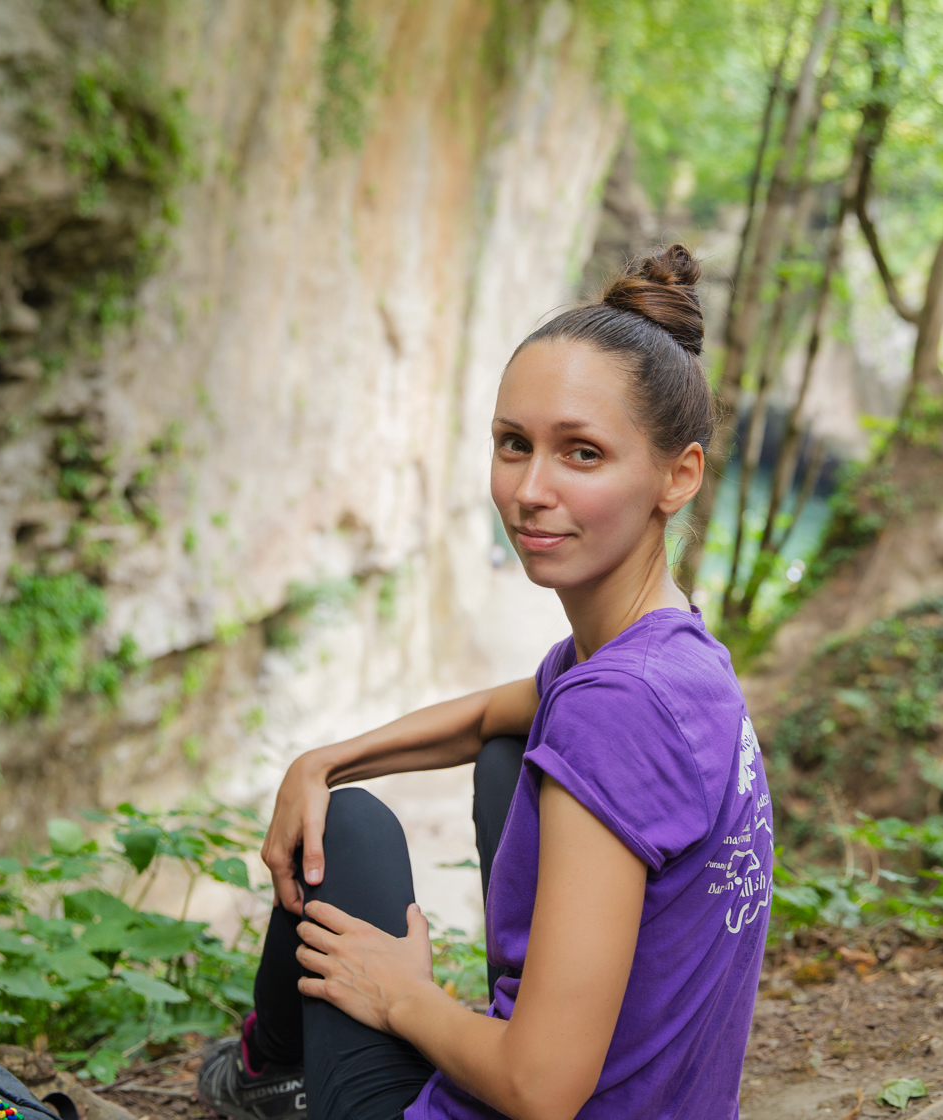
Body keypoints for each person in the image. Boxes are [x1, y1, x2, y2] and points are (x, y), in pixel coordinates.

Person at [198, 245, 773, 1120]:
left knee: (348, 831)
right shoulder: (675, 656)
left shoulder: (620, 709)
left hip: (533, 1092)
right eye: (514, 445)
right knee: (505, 748)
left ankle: (268, 1071)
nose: (531, 490)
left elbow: (540, 1090)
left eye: (583, 454)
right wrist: (324, 759)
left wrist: (404, 995)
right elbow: (491, 716)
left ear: (678, 475)